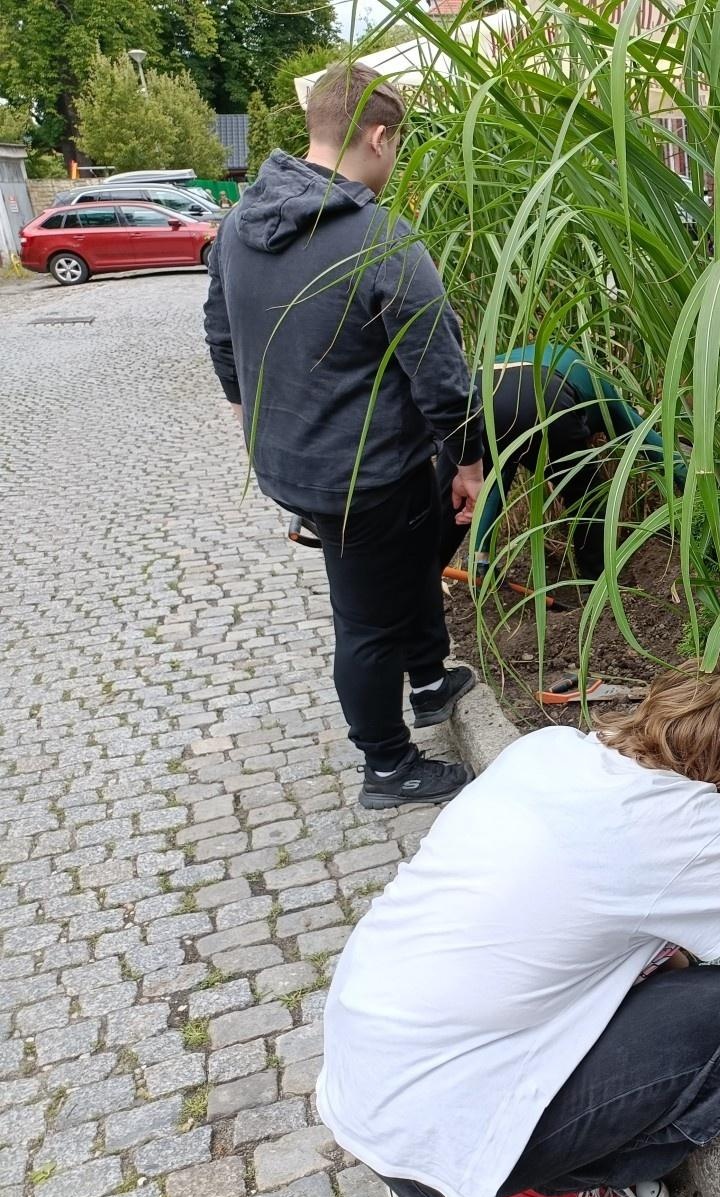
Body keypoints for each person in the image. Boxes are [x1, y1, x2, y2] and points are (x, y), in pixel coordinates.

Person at [317, 661, 720, 1197]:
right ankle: (559, 1182)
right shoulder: (688, 822)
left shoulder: (551, 749)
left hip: (365, 1086)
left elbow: (594, 923)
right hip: (443, 1148)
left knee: (672, 975)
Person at [203, 63, 484, 810]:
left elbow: (219, 333)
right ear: (380, 136)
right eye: (397, 148)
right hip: (364, 474)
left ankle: (429, 678)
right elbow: (442, 376)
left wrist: (253, 415)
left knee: (414, 549)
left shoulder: (237, 224)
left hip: (297, 464)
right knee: (363, 619)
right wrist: (472, 462)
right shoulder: (380, 237)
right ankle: (388, 766)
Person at [437, 343, 686, 585]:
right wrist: (692, 488)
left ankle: (447, 572)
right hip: (543, 392)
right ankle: (600, 581)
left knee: (456, 497)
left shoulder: (544, 355)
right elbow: (655, 447)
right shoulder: (603, 391)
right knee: (587, 494)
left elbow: (494, 485)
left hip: (475, 391)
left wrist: (481, 554)